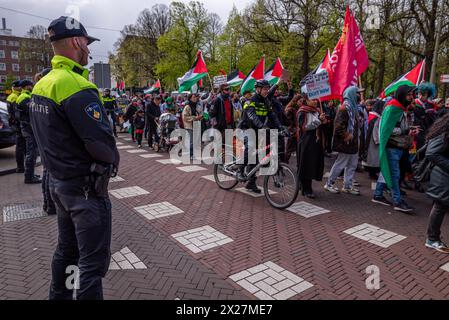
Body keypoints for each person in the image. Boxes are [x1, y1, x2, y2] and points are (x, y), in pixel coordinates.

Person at [30, 16, 119, 300]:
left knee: (66, 252)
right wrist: (113, 158)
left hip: (59, 183)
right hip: (86, 190)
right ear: (77, 41)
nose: (89, 51)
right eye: (87, 44)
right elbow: (101, 143)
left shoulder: (42, 84)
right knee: (91, 264)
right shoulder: (78, 86)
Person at [372, 85, 417, 213]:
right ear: (402, 95)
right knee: (394, 175)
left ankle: (378, 195)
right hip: (392, 147)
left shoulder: (399, 108)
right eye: (409, 95)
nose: (411, 98)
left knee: (386, 171)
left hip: (397, 147)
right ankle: (397, 201)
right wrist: (405, 130)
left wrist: (408, 129)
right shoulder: (392, 108)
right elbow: (387, 129)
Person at [237, 80, 286, 193]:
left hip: (258, 130)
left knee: (256, 157)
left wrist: (281, 127)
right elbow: (252, 116)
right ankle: (240, 170)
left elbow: (272, 115)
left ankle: (251, 182)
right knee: (250, 148)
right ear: (258, 89)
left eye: (267, 89)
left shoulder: (266, 102)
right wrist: (262, 126)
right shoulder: (250, 101)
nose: (266, 91)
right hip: (245, 129)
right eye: (264, 89)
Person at [324, 86, 362, 195]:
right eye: (357, 93)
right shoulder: (344, 108)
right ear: (352, 94)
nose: (359, 95)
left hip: (352, 142)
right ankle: (329, 183)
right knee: (340, 164)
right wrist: (346, 135)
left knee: (352, 164)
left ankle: (347, 186)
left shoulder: (353, 107)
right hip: (346, 142)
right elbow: (338, 126)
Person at [424, 112, 449, 253]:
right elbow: (431, 153)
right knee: (440, 206)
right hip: (443, 176)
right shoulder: (445, 132)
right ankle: (432, 239)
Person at [34, 68, 56, 215]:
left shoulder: (36, 92)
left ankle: (47, 203)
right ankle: (50, 205)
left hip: (41, 138)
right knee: (50, 174)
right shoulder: (49, 92)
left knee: (45, 171)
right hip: (51, 140)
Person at [296, 97, 326, 198]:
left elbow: (320, 125)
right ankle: (306, 188)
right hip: (306, 141)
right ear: (307, 100)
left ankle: (305, 185)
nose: (315, 101)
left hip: (315, 141)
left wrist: (324, 121)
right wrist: (319, 120)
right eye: (313, 100)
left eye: (316, 100)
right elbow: (304, 127)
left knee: (313, 164)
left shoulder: (317, 111)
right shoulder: (302, 111)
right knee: (306, 164)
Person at [16, 80, 41, 184]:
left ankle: (30, 174)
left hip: (26, 127)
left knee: (31, 151)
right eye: (31, 85)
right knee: (32, 152)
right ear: (27, 87)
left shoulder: (26, 96)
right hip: (28, 128)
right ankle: (29, 177)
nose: (32, 86)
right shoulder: (24, 98)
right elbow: (31, 110)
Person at [6, 80, 26, 173]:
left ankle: (21, 166)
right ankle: (21, 167)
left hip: (14, 124)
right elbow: (17, 114)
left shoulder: (11, 96)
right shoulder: (16, 97)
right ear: (17, 87)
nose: (21, 88)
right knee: (20, 146)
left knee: (19, 146)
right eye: (20, 86)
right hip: (18, 125)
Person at [364, 100, 385, 180]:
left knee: (372, 158)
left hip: (371, 140)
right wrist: (378, 140)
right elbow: (375, 130)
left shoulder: (373, 116)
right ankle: (372, 173)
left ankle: (372, 173)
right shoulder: (376, 117)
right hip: (374, 141)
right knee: (373, 158)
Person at [182, 93, 203, 160]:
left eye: (196, 97)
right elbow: (185, 117)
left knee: (196, 141)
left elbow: (200, 114)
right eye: (194, 97)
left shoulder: (198, 106)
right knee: (191, 141)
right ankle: (190, 154)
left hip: (197, 125)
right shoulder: (187, 107)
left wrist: (201, 117)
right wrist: (195, 118)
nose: (195, 98)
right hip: (189, 126)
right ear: (190, 98)